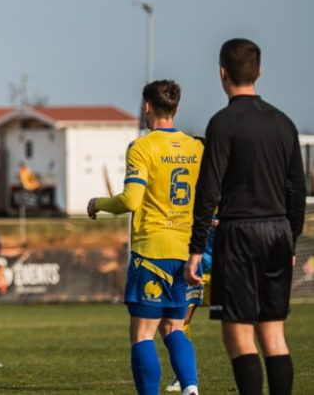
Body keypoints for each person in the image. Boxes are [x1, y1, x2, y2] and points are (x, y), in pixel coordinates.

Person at [186, 38, 306, 395]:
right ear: (259, 72)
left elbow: (208, 191)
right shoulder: (283, 123)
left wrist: (196, 249)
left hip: (239, 233)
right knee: (273, 333)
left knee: (239, 334)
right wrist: (291, 239)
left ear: (222, 73)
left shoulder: (223, 123)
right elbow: (297, 190)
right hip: (278, 231)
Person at [87, 80, 201, 395]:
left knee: (142, 334)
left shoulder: (142, 147)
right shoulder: (196, 148)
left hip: (152, 252)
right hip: (187, 252)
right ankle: (191, 389)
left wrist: (97, 203)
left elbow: (130, 200)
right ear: (176, 107)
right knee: (174, 328)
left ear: (147, 107)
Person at [166, 211, 218, 392]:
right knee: (180, 321)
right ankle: (183, 377)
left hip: (224, 271)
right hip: (195, 271)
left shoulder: (231, 202)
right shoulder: (193, 204)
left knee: (239, 323)